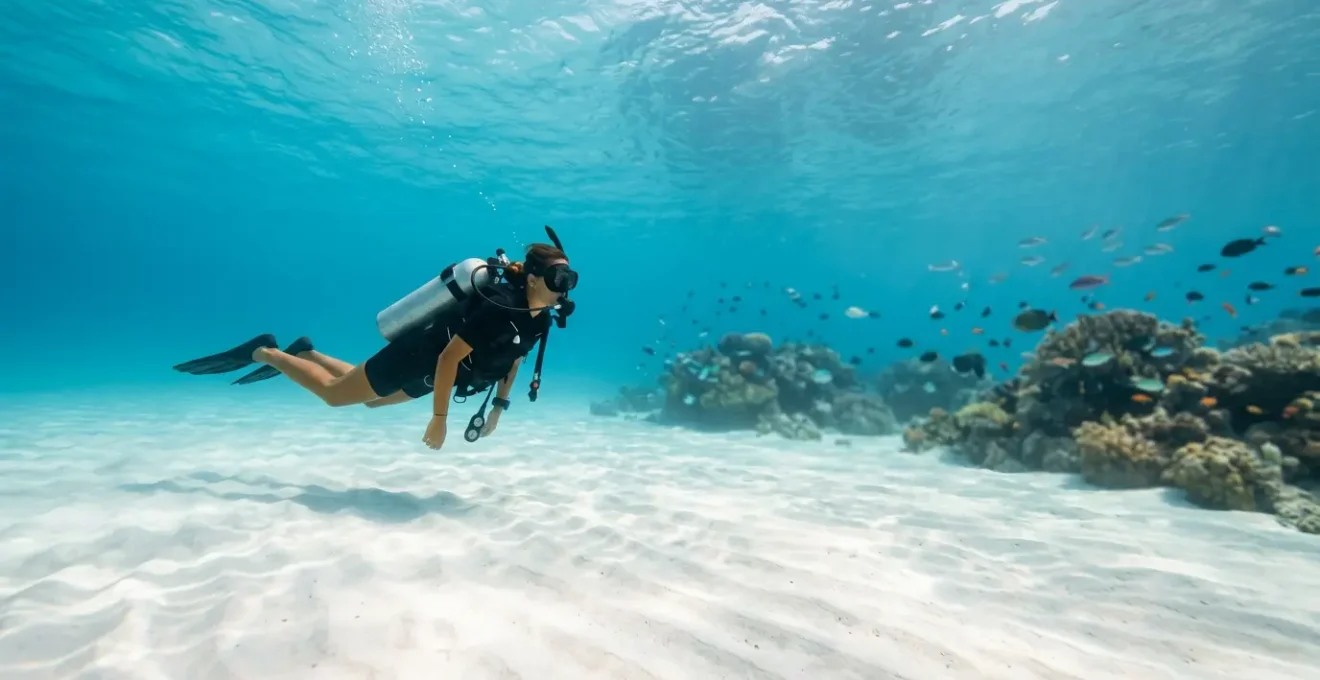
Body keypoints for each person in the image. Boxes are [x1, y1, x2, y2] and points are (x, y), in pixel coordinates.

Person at [173, 240, 577, 450]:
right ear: (534, 279)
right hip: (419, 358)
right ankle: (264, 351)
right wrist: (439, 419)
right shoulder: (500, 308)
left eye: (569, 281)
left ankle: (306, 352)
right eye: (560, 280)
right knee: (335, 396)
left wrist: (499, 411)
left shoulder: (540, 319)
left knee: (369, 398)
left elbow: (514, 362)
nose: (564, 290)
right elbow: (450, 358)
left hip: (431, 375)